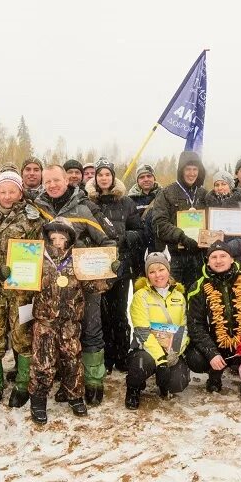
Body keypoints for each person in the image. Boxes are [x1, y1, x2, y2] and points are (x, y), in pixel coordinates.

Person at [33, 165, 117, 405]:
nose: (52, 185)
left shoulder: (83, 207)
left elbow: (107, 238)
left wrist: (108, 264)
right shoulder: (36, 208)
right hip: (50, 285)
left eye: (56, 180)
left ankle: (92, 379)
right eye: (47, 181)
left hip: (82, 281)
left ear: (67, 180)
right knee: (55, 333)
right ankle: (65, 381)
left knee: (91, 328)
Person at [29, 218, 111, 424]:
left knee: (72, 359)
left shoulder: (78, 260)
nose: (57, 242)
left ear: (69, 239)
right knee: (43, 362)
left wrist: (108, 272)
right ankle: (38, 400)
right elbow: (24, 285)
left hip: (70, 321)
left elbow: (94, 287)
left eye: (62, 238)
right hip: (44, 320)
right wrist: (11, 275)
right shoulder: (37, 258)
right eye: (53, 238)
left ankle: (74, 395)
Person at [0, 170, 43, 408]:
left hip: (22, 292)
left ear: (20, 192)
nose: (7, 196)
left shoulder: (32, 218)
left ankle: (23, 385)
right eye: (2, 191)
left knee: (23, 337)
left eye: (12, 191)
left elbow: (39, 252)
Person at [186, 242, 241, 405]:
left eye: (223, 256)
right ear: (207, 261)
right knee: (195, 358)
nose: (218, 260)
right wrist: (211, 353)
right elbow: (195, 325)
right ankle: (214, 373)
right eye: (214, 257)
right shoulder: (197, 287)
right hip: (216, 343)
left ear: (232, 259)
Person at [85, 159, 143, 372]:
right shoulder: (88, 202)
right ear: (95, 178)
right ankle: (106, 356)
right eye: (100, 174)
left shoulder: (126, 202)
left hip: (120, 265)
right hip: (96, 266)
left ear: (113, 177)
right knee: (101, 313)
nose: (104, 178)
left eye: (107, 174)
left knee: (119, 313)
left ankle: (121, 354)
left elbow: (139, 232)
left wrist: (122, 237)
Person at [125, 251, 191, 409]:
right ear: (147, 275)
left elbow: (184, 328)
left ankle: (165, 384)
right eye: (152, 271)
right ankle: (133, 387)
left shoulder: (179, 296)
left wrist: (174, 352)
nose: (157, 275)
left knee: (178, 382)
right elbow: (142, 331)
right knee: (141, 365)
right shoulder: (140, 296)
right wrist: (161, 360)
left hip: (170, 348)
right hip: (146, 348)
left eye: (161, 269)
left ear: (168, 270)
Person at [147, 151, 209, 290]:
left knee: (197, 300)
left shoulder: (204, 194)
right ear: (181, 170)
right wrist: (182, 237)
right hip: (174, 258)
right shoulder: (166, 193)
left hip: (199, 257)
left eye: (195, 169)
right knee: (175, 299)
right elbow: (159, 224)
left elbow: (213, 222)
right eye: (188, 169)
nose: (191, 173)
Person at [206, 170, 241, 269]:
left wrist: (225, 249)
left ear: (230, 185)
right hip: (215, 259)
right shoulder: (209, 206)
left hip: (237, 258)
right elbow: (205, 232)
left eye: (223, 184)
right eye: (217, 185)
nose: (220, 188)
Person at [127, 164, 163, 274]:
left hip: (159, 245)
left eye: (149, 176)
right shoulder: (129, 200)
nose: (146, 179)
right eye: (142, 177)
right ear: (137, 180)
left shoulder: (164, 196)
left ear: (154, 178)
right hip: (139, 248)